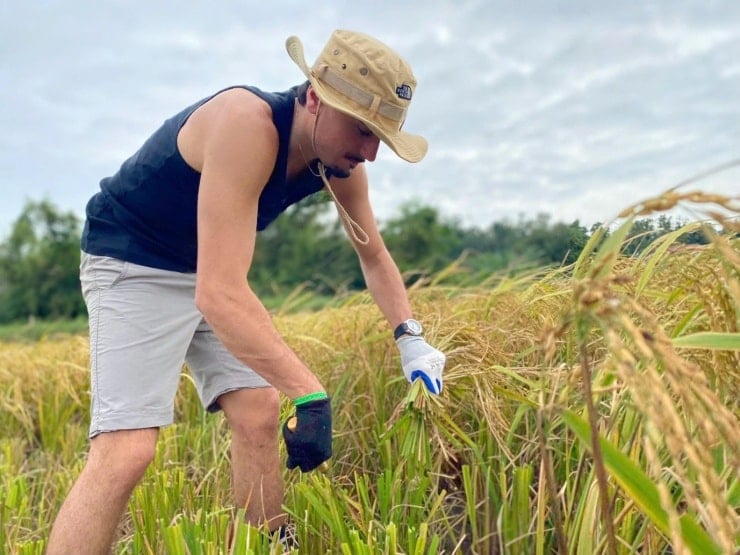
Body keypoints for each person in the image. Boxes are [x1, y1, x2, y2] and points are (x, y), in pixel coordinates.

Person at [47, 29, 446, 553]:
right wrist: (311, 393)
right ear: (313, 98)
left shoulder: (340, 163)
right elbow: (220, 293)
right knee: (126, 451)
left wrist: (409, 337)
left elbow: (372, 254)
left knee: (258, 408)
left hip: (208, 266)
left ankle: (267, 545)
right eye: (363, 129)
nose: (371, 151)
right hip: (132, 260)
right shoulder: (246, 124)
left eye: (382, 137)